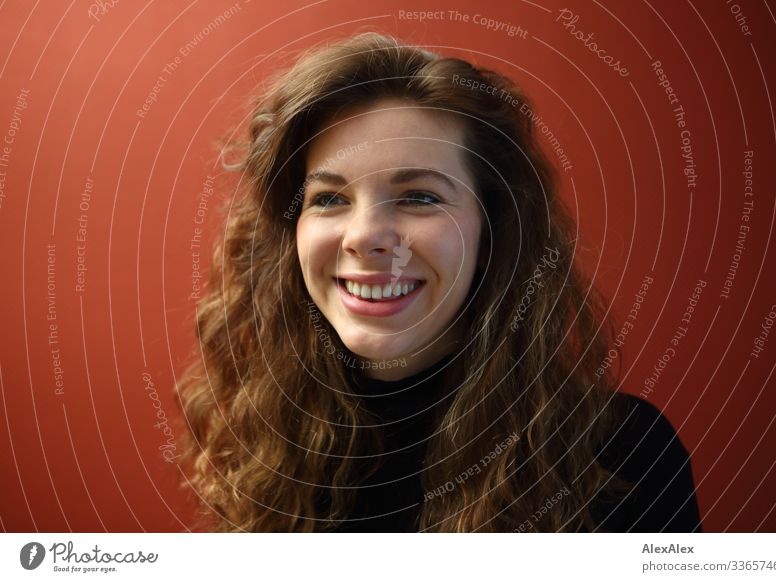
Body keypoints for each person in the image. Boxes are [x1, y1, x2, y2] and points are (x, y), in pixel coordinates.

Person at [177, 31, 702, 533]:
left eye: (420, 197)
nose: (364, 237)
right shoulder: (261, 443)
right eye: (329, 199)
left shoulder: (620, 454)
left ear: (492, 229)